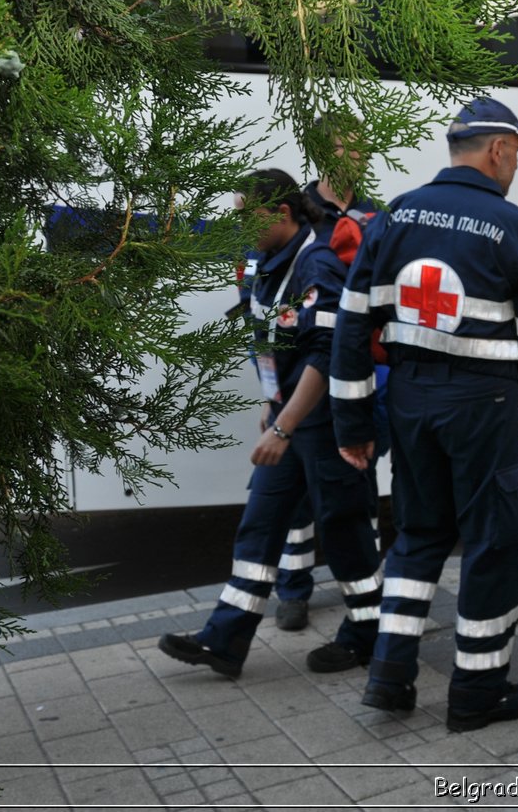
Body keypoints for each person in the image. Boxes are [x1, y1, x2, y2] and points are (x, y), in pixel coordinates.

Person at [329, 97, 518, 732]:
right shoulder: (510, 226)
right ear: (496, 150)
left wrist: (354, 426)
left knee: (418, 534)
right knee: (491, 539)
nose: (516, 163)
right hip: (483, 405)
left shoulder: (394, 216)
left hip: (410, 401)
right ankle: (477, 694)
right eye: (515, 152)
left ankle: (389, 676)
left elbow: (351, 329)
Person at [159, 170, 383, 678]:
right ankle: (225, 640)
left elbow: (324, 359)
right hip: (289, 417)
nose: (236, 225)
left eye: (244, 215)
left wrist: (283, 425)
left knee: (344, 532)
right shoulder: (264, 261)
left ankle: (368, 634)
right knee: (259, 526)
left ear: (280, 213)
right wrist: (271, 402)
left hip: (324, 423)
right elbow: (268, 337)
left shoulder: (318, 266)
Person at [274, 126, 394, 633]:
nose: (356, 155)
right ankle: (293, 590)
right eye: (345, 146)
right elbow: (267, 295)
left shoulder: (375, 215)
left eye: (361, 145)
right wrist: (274, 391)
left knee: (358, 480)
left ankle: (365, 590)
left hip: (362, 373)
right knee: (298, 491)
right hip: (306, 373)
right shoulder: (296, 213)